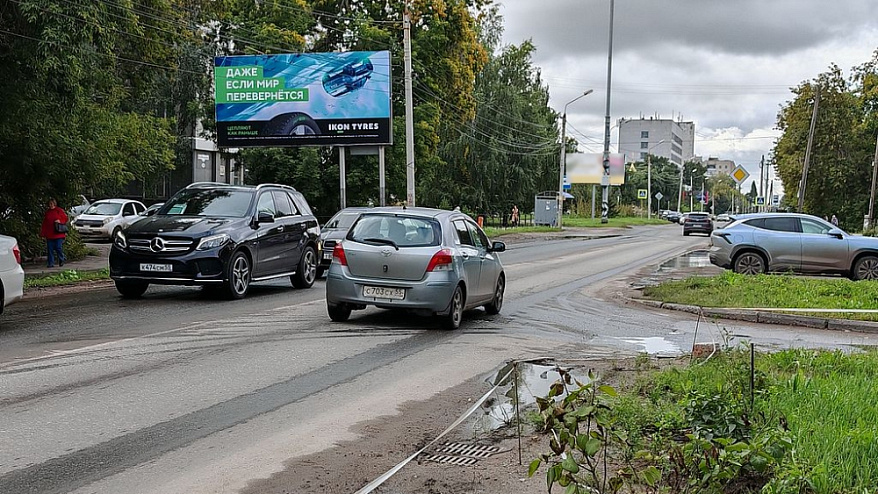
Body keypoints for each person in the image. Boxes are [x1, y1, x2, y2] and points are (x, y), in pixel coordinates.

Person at [40, 198, 68, 268]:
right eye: (49, 204)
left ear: (54, 204)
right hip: (49, 234)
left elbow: (65, 218)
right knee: (50, 249)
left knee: (58, 247)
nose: (51, 205)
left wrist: (60, 220)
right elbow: (45, 223)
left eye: (52, 203)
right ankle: (50, 263)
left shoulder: (59, 210)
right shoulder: (48, 212)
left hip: (58, 233)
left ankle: (61, 258)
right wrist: (43, 233)